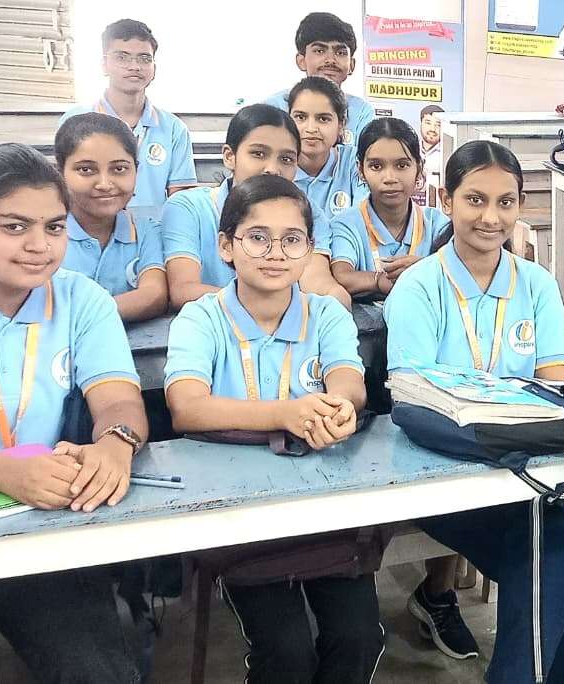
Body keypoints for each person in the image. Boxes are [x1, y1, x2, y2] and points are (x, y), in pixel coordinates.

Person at [0, 143, 146, 682]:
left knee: (102, 673)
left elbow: (118, 399)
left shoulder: (82, 300)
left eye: (54, 227)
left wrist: (115, 444)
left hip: (35, 518)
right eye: (14, 227)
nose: (39, 246)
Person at [384, 140, 564, 683]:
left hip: (524, 469)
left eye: (505, 202)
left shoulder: (536, 283)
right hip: (445, 475)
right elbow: (414, 399)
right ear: (445, 201)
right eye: (475, 199)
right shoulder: (419, 286)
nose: (491, 217)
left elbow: (556, 384)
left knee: (562, 552)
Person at [164, 174, 380, 683]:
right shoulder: (201, 318)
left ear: (309, 248)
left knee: (360, 637)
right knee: (286, 652)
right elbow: (187, 408)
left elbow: (349, 383)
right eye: (257, 237)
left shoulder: (325, 314)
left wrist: (340, 408)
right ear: (226, 246)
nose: (276, 253)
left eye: (292, 239)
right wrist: (284, 414)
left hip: (321, 506)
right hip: (237, 512)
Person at [162, 104, 345, 310]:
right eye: (258, 153)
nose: (272, 169)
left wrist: (335, 303)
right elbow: (184, 290)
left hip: (286, 325)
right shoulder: (189, 208)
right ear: (229, 156)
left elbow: (317, 282)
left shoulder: (309, 213)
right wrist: (265, 308)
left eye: (286, 159)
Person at [60, 19, 197, 211]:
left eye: (144, 58)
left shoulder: (173, 128)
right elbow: (64, 188)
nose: (134, 66)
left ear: (154, 68)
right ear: (104, 64)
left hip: (155, 229)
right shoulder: (75, 120)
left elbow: (181, 200)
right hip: (92, 227)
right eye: (122, 57)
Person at [55, 113, 168, 322]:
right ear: (60, 173)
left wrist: (79, 318)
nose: (104, 184)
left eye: (119, 169)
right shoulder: (47, 233)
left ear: (136, 171)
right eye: (86, 170)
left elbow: (154, 294)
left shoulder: (145, 231)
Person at [329, 117, 451, 301]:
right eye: (376, 166)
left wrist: (422, 269)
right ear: (361, 170)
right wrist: (379, 280)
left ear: (419, 168)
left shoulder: (437, 224)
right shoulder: (345, 224)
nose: (389, 178)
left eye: (402, 165)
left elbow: (458, 273)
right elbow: (343, 275)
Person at [264, 12, 375, 147]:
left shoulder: (362, 111)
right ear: (301, 61)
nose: (330, 60)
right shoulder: (274, 107)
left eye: (340, 53)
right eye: (320, 51)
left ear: (351, 65)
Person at [287, 77, 367, 217]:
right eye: (300, 117)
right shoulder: (276, 165)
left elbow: (362, 220)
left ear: (341, 125)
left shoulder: (355, 162)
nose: (311, 128)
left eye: (323, 119)